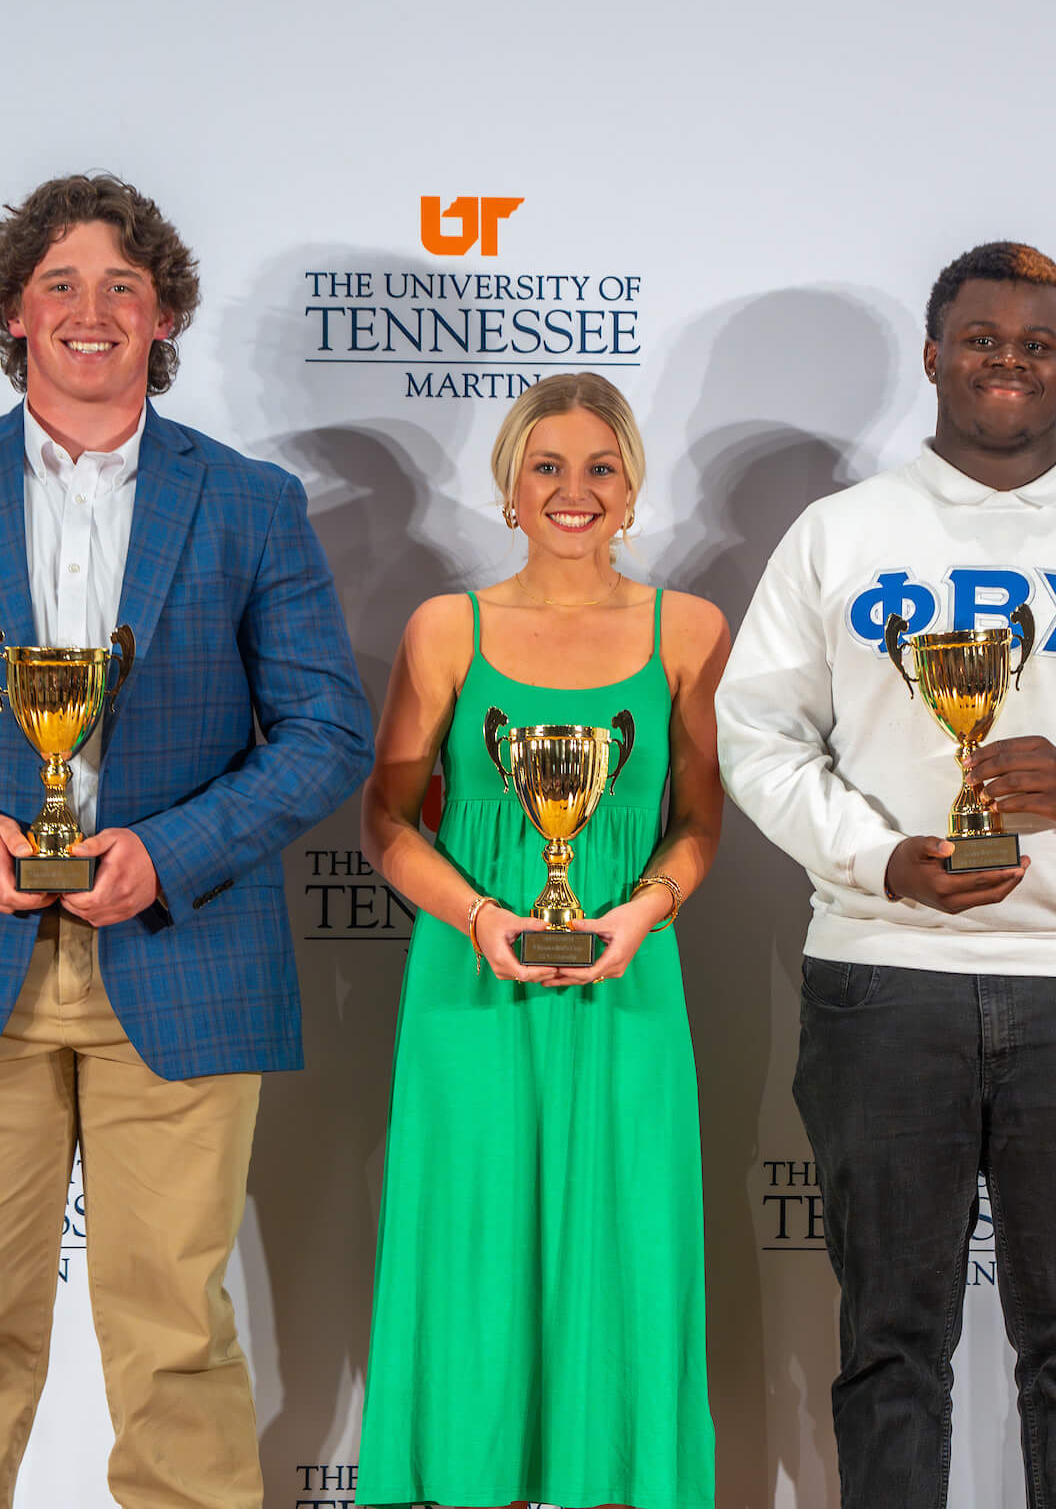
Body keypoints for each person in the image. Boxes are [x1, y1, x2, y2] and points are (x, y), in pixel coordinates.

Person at [0, 173, 372, 1509]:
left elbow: (328, 731)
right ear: (12, 313)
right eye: (60, 282)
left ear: (163, 318)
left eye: (123, 285)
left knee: (175, 1343)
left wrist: (168, 851)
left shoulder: (251, 502)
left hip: (184, 952)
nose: (91, 310)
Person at [714, 241, 1056, 1507]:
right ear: (933, 355)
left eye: (1035, 343)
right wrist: (881, 858)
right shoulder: (840, 535)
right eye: (980, 338)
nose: (1006, 361)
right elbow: (757, 734)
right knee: (889, 1345)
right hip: (883, 976)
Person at [353, 373, 729, 1509]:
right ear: (510, 489)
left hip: (629, 988)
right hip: (467, 992)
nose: (575, 491)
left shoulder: (692, 632)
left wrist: (641, 908)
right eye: (547, 467)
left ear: (633, 490)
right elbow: (384, 815)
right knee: (472, 1267)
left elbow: (702, 820)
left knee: (627, 1262)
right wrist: (479, 915)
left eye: (600, 467)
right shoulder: (445, 629)